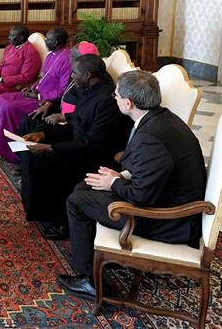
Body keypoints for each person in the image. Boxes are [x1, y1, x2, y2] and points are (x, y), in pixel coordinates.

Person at [57, 70, 207, 301]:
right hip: (164, 199)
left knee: (76, 201)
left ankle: (90, 281)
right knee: (84, 188)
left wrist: (115, 182)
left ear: (128, 103)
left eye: (116, 95)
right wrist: (120, 175)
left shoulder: (151, 136)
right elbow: (152, 171)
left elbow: (140, 197)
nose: (113, 99)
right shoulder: (160, 119)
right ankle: (104, 259)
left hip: (167, 220)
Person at [18, 55, 132, 239]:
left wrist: (50, 147)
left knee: (46, 160)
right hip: (83, 144)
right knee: (34, 151)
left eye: (75, 73)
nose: (72, 77)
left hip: (98, 155)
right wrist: (44, 136)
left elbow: (92, 142)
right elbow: (77, 122)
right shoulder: (89, 90)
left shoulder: (107, 100)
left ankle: (61, 221)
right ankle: (42, 211)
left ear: (87, 75)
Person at [0, 27, 72, 161]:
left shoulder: (66, 59)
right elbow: (43, 78)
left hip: (45, 100)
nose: (45, 42)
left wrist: (39, 96)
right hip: (36, 92)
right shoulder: (51, 54)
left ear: (56, 41)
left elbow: (62, 91)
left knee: (9, 107)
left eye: (48, 40)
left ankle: (14, 154)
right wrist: (31, 87)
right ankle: (0, 143)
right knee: (1, 98)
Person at [16, 41, 99, 136]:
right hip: (60, 111)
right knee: (27, 120)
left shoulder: (91, 82)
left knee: (36, 130)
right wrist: (49, 104)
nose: (69, 58)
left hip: (72, 125)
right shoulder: (76, 73)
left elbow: (85, 113)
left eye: (72, 56)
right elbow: (65, 94)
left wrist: (63, 116)